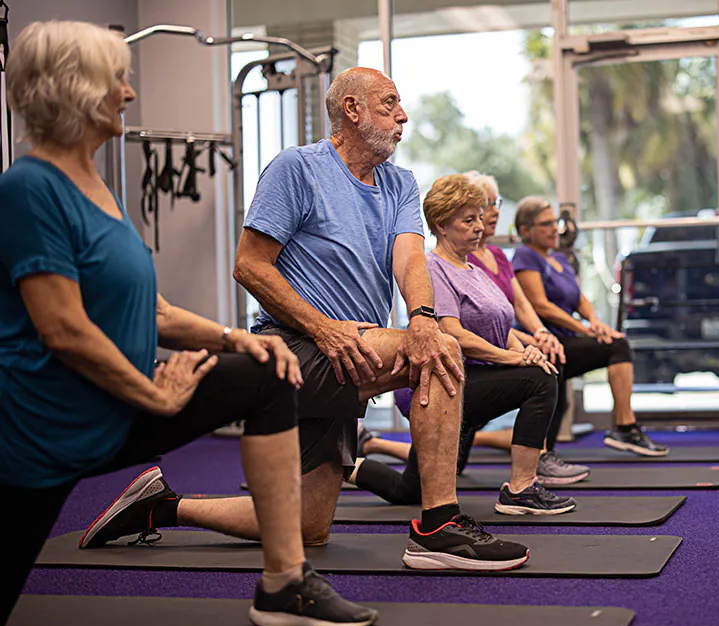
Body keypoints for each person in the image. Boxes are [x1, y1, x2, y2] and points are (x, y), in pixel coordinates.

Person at [0, 21, 376, 626]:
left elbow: (152, 311)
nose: (127, 94)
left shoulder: (94, 184)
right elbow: (64, 329)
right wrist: (153, 394)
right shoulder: (28, 188)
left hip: (115, 402)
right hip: (46, 425)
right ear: (75, 89)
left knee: (266, 372)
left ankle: (285, 583)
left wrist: (238, 339)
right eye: (117, 80)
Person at [83, 67, 527, 571]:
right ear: (352, 110)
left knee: (308, 526)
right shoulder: (296, 169)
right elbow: (249, 266)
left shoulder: (400, 183)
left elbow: (408, 258)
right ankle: (438, 526)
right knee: (439, 353)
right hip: (296, 346)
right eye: (390, 103)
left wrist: (423, 315)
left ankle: (160, 505)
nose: (403, 116)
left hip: (352, 350)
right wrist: (326, 328)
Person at [351, 174, 576, 516]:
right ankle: (521, 489)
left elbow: (502, 325)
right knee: (541, 381)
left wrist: (524, 350)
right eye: (468, 220)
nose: (479, 227)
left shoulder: (473, 268)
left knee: (408, 490)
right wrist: (512, 361)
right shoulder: (432, 267)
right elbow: (452, 333)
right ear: (441, 224)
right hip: (440, 385)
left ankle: (340, 464)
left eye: (479, 218)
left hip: (472, 379)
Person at [512, 196, 668, 457]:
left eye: (555, 223)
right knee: (612, 349)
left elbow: (580, 299)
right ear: (526, 230)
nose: (554, 229)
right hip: (540, 343)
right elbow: (540, 305)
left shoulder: (560, 260)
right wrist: (585, 329)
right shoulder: (525, 256)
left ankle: (624, 427)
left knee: (616, 343)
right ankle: (494, 442)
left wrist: (595, 322)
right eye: (545, 224)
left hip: (565, 343)